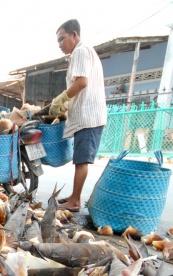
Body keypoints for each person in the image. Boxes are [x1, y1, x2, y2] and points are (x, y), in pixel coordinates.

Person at [52, 19, 107, 212]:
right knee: (80, 159)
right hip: (87, 114)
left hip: (89, 116)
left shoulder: (81, 51)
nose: (60, 44)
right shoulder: (85, 51)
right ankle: (74, 196)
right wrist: (67, 103)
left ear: (74, 34)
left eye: (62, 39)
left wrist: (62, 97)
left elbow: (82, 82)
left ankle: (74, 201)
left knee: (82, 159)